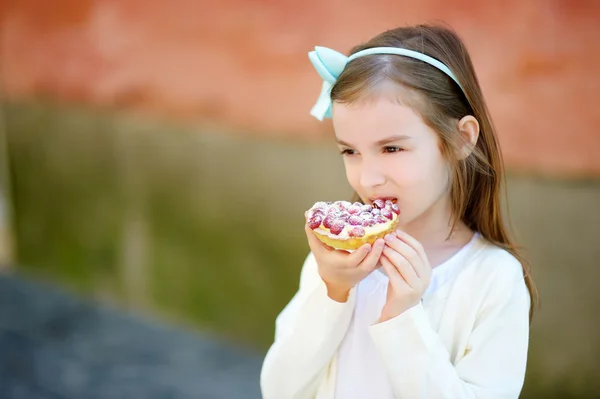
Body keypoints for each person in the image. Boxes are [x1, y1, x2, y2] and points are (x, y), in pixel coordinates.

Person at [260, 24, 537, 399]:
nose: (369, 178)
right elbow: (279, 390)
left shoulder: (494, 280)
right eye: (350, 151)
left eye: (392, 149)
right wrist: (332, 292)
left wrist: (403, 318)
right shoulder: (334, 264)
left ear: (461, 139)